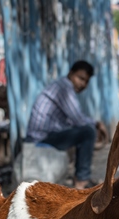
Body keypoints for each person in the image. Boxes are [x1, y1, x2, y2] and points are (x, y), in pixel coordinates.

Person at [25, 60, 107, 189]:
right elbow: (78, 119)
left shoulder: (61, 86)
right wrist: (97, 124)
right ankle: (82, 180)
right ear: (70, 73)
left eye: (86, 81)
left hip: (45, 136)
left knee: (83, 131)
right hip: (41, 138)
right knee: (87, 132)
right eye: (80, 78)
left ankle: (80, 176)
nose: (83, 84)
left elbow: (71, 121)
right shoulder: (64, 88)